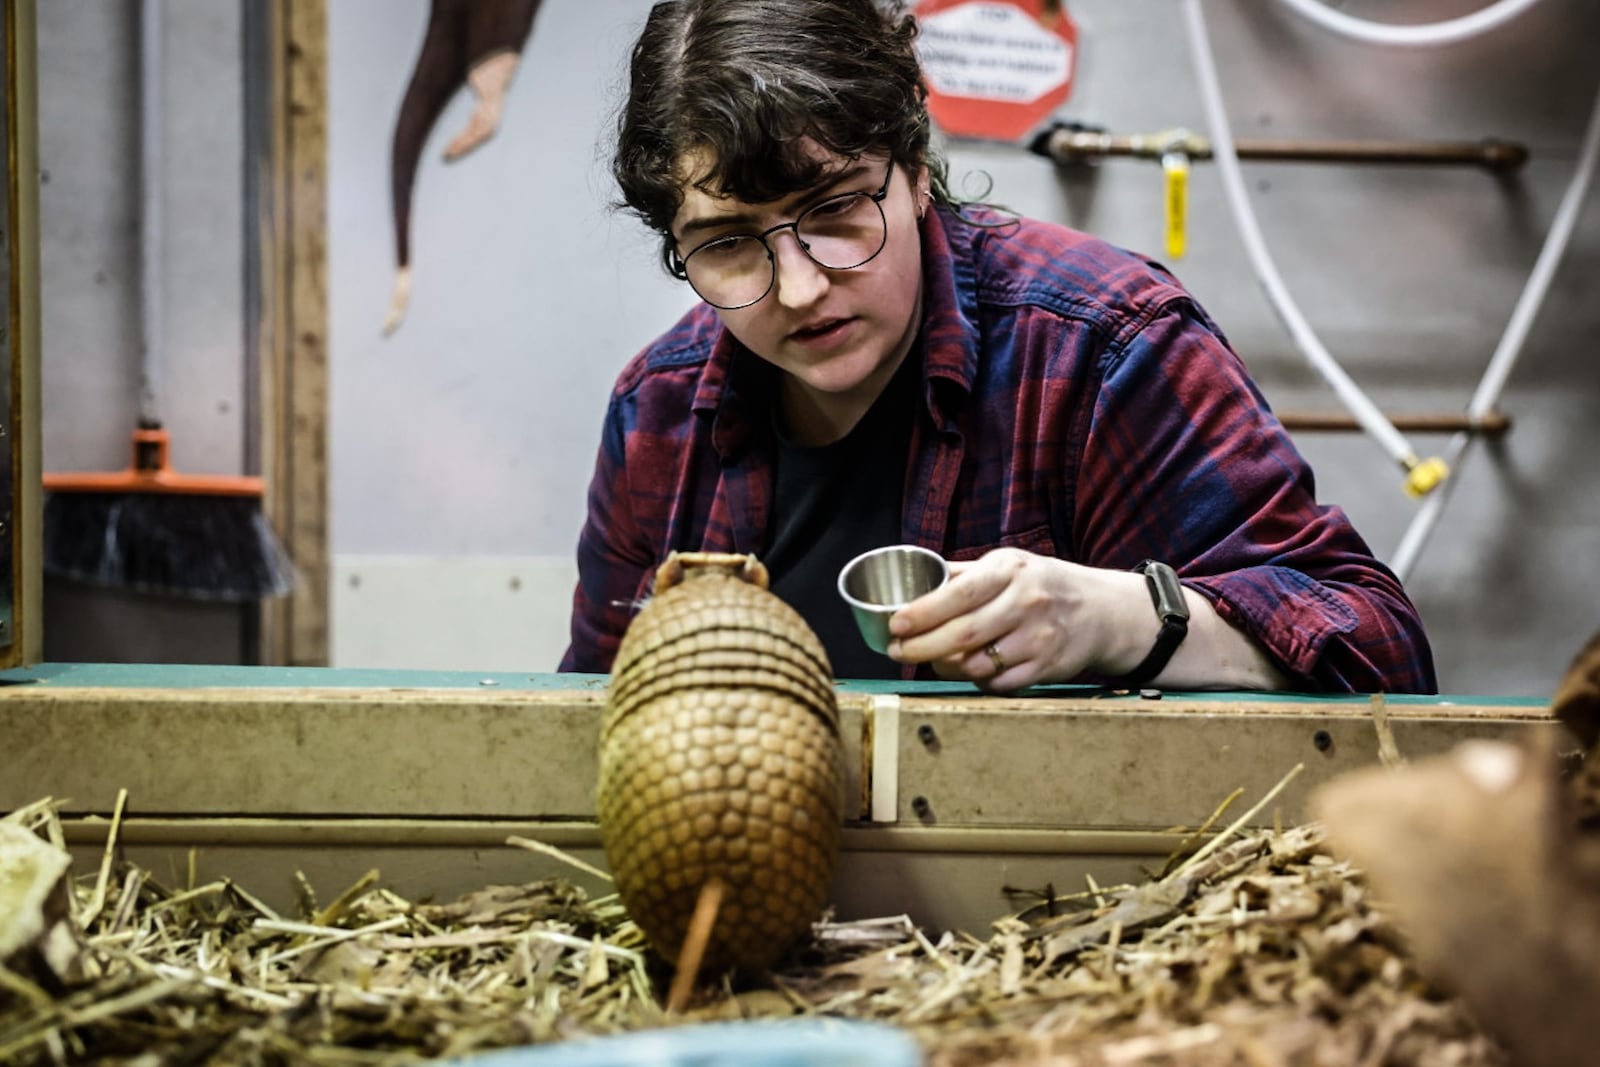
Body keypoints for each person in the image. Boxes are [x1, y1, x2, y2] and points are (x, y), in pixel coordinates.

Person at [560, 0, 1436, 695]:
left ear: (912, 166)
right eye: (728, 244)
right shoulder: (659, 415)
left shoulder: (1101, 347)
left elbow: (1380, 651)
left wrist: (1131, 621)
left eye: (834, 213)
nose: (798, 288)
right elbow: (592, 717)